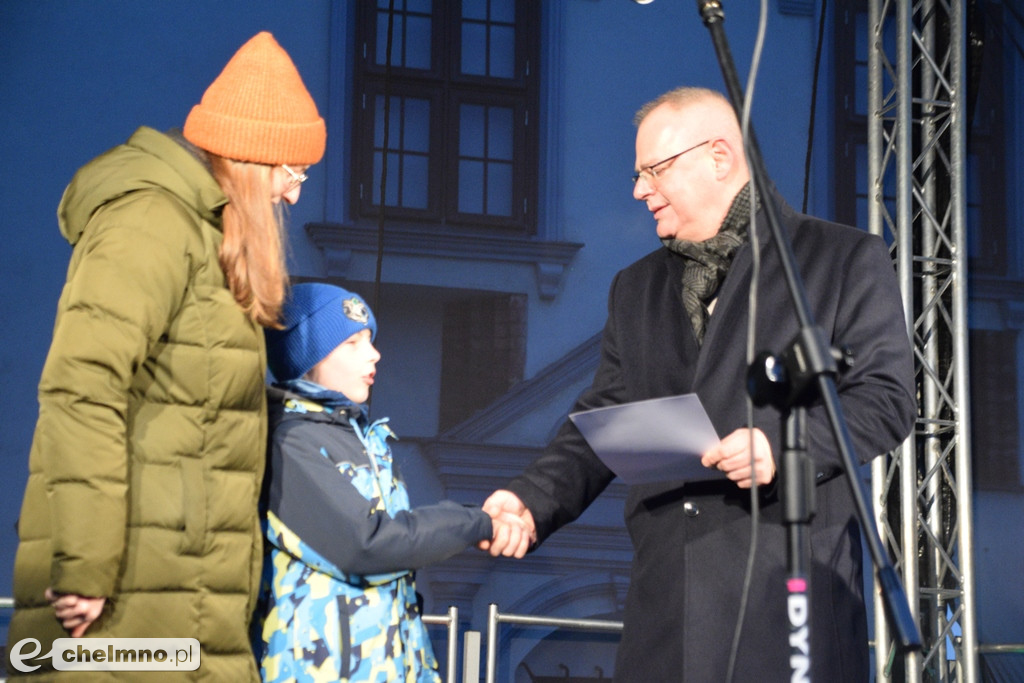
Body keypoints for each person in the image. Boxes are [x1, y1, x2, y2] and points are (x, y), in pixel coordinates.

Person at [482, 86, 916, 682]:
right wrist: (531, 500)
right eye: (637, 175)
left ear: (719, 156)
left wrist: (780, 446)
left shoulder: (839, 259)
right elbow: (605, 420)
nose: (639, 190)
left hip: (786, 601)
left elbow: (886, 397)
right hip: (668, 614)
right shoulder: (636, 287)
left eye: (654, 171)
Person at [6, 32, 326, 680]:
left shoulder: (208, 238)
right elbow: (81, 386)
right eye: (292, 170)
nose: (294, 193)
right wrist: (86, 563)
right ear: (252, 157)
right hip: (119, 603)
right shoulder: (150, 220)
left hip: (190, 594)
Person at [257, 282, 504, 682]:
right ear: (309, 356)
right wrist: (476, 521)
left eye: (370, 340)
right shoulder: (291, 440)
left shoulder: (360, 438)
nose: (374, 354)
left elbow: (392, 585)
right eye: (353, 342)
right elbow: (368, 545)